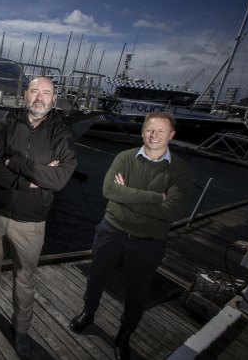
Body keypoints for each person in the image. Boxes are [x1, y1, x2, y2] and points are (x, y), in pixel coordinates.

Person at [69, 111, 193, 360]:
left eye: (160, 131)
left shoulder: (180, 170)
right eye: (149, 129)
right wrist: (156, 197)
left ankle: (125, 334)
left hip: (149, 242)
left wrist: (126, 195)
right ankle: (88, 312)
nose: (154, 135)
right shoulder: (124, 157)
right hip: (111, 231)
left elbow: (174, 209)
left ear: (171, 135)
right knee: (96, 277)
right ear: (142, 131)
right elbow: (108, 190)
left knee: (137, 291)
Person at [0, 76, 78, 359]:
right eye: (34, 91)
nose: (40, 97)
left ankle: (21, 329)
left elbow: (60, 179)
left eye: (46, 93)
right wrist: (27, 180)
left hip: (31, 223)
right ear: (25, 95)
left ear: (54, 99)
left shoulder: (61, 135)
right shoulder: (8, 123)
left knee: (24, 278)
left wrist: (16, 163)